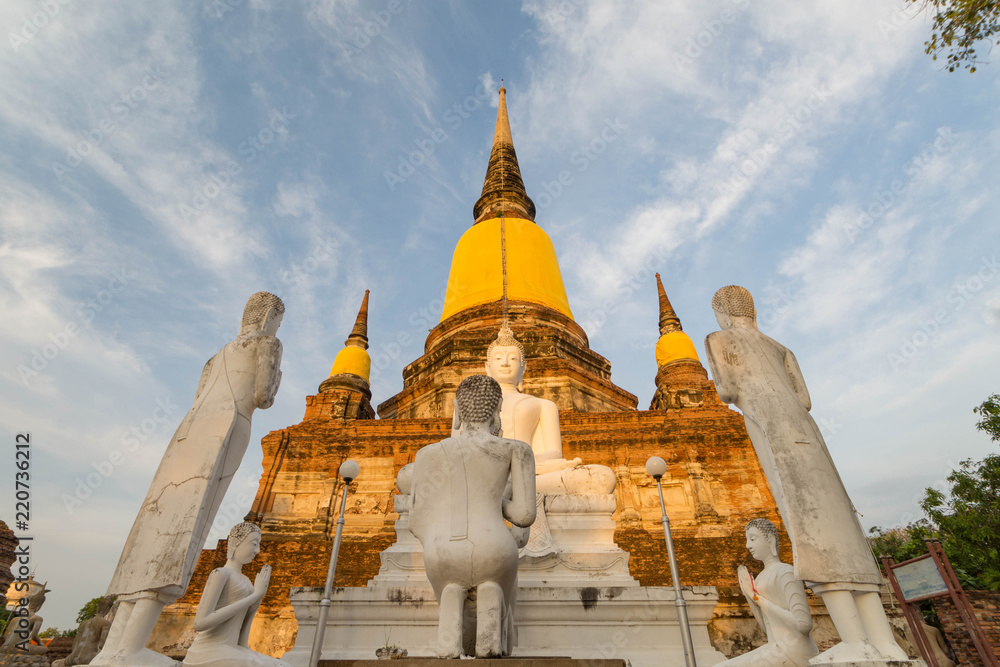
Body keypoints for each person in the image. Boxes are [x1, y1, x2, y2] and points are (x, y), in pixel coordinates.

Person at [705, 285, 908, 663]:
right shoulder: (782, 349)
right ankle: (885, 643)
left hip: (772, 429)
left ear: (722, 311)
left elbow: (727, 390)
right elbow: (805, 400)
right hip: (806, 429)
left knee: (809, 530)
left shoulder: (719, 339)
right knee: (841, 525)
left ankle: (852, 640)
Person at [93, 292, 285, 667]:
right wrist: (276, 377)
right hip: (230, 426)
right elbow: (263, 396)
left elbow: (199, 397)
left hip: (189, 433)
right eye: (277, 319)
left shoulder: (214, 358)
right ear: (269, 320)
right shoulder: (268, 343)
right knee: (183, 535)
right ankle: (130, 651)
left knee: (154, 527)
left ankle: (113, 650)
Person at [409, 375, 536, 658]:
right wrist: (497, 502)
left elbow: (416, 520)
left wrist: (439, 538)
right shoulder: (516, 449)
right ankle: (492, 632)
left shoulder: (427, 454)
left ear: (456, 410)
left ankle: (450, 627)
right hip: (494, 548)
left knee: (449, 583)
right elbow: (525, 515)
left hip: (442, 551)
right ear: (497, 409)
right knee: (496, 577)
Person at [182, 523, 288, 667]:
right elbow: (200, 623)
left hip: (232, 649)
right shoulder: (220, 574)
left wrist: (258, 599)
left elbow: (242, 643)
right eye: (254, 544)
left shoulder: (247, 581)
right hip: (208, 650)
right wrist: (254, 596)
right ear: (237, 543)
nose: (257, 551)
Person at [721, 519, 818, 666]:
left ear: (770, 539)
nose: (748, 545)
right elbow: (768, 628)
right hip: (776, 647)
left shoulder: (786, 572)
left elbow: (803, 624)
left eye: (753, 539)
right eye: (747, 540)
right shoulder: (760, 578)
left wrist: (756, 597)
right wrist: (748, 595)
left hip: (793, 650)